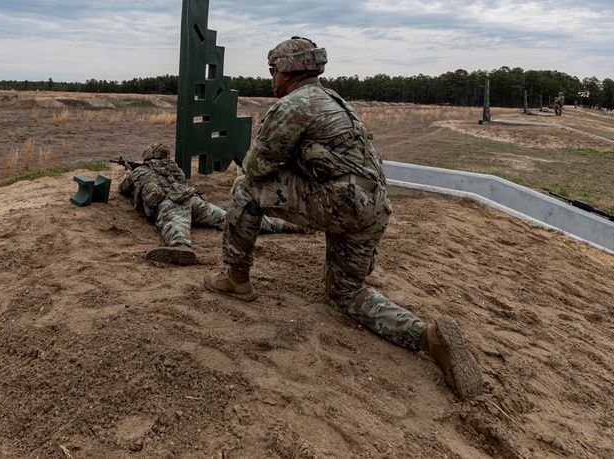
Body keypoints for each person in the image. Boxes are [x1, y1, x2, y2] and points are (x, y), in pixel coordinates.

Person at [202, 37, 483, 400]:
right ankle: (426, 338)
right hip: (374, 207)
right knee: (345, 293)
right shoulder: (337, 102)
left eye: (273, 70)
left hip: (338, 202)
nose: (271, 77)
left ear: (287, 71)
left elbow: (257, 167)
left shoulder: (293, 106)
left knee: (244, 188)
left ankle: (236, 279)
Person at [118, 143, 295, 266]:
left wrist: (129, 172)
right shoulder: (174, 168)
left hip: (170, 203)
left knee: (175, 224)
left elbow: (123, 188)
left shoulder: (141, 170)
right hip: (194, 199)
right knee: (229, 217)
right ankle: (283, 225)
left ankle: (181, 246)